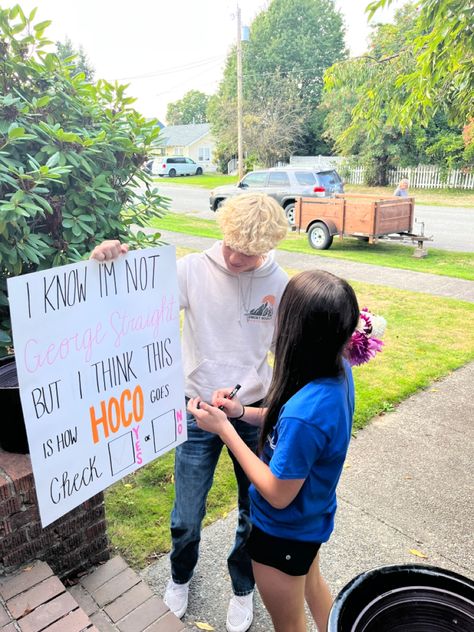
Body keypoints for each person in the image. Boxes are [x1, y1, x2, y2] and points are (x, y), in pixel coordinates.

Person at [90, 192, 289, 632]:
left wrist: (265, 405)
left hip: (250, 410)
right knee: (186, 513)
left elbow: (284, 353)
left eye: (250, 252)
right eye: (232, 244)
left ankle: (242, 586)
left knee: (252, 511)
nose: (237, 257)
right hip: (196, 408)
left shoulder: (280, 284)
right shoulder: (191, 271)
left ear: (268, 246)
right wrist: (109, 265)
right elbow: (131, 306)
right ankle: (180, 576)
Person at [188, 269, 360, 632]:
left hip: (282, 533)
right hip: (310, 522)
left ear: (297, 330)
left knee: (290, 625)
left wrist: (225, 431)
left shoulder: (306, 414)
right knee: (314, 589)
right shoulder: (336, 372)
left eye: (283, 312)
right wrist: (240, 413)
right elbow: (288, 424)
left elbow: (278, 492)